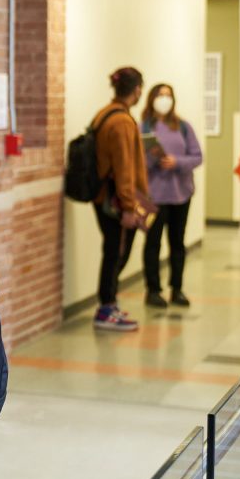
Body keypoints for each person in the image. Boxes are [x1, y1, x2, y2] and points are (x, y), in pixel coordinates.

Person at [91, 67, 149, 332]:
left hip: (104, 196)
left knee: (113, 250)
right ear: (136, 90)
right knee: (116, 253)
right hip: (115, 201)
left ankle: (110, 305)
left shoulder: (104, 114)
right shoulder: (123, 121)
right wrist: (129, 206)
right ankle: (106, 308)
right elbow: (124, 168)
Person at [140, 83, 202, 308]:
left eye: (168, 95)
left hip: (180, 195)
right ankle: (153, 290)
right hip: (154, 197)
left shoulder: (183, 127)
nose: (164, 99)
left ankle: (177, 288)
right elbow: (137, 160)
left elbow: (197, 156)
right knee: (153, 244)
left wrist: (177, 162)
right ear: (151, 98)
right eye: (160, 95)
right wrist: (154, 159)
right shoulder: (143, 127)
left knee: (177, 243)